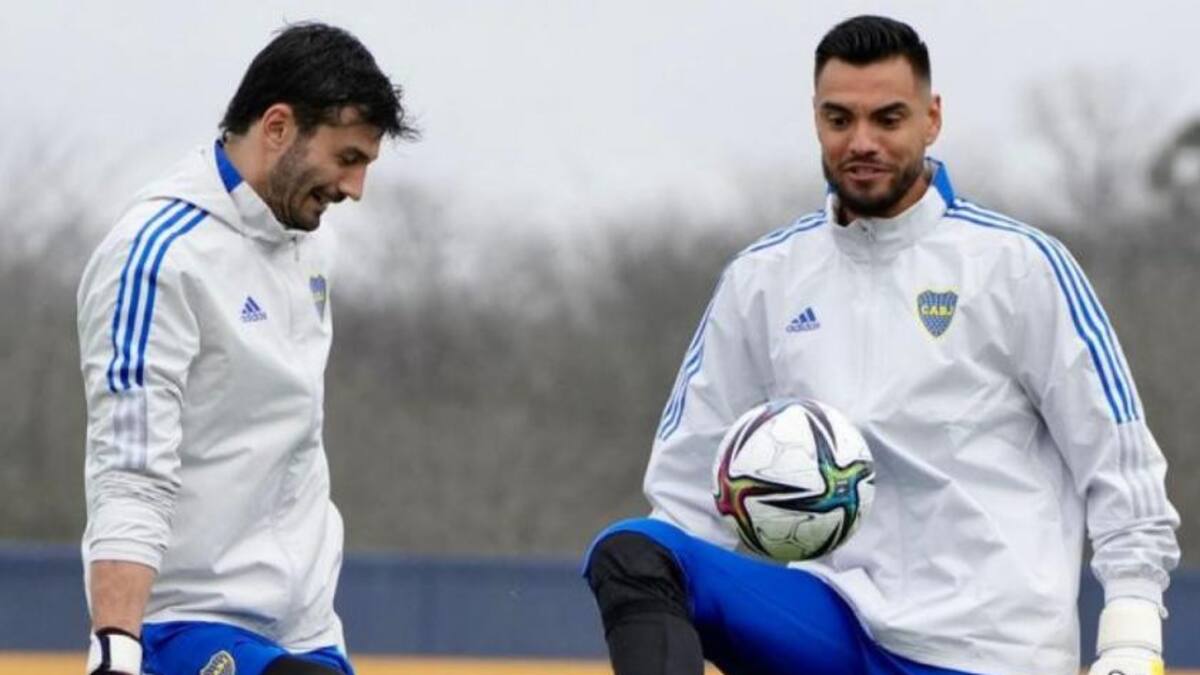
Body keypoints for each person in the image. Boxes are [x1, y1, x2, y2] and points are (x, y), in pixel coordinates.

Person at [582, 15, 1179, 675]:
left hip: (990, 651)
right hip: (834, 626)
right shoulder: (764, 278)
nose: (861, 141)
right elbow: (686, 486)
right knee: (635, 552)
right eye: (840, 120)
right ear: (815, 119)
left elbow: (1119, 462)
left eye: (888, 119)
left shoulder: (1020, 266)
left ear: (932, 118)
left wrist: (1131, 632)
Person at [77, 22, 415, 675]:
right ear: (279, 127)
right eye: (347, 158)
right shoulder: (156, 257)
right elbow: (128, 468)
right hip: (184, 625)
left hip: (307, 630)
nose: (355, 189)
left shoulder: (312, 241)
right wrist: (116, 647)